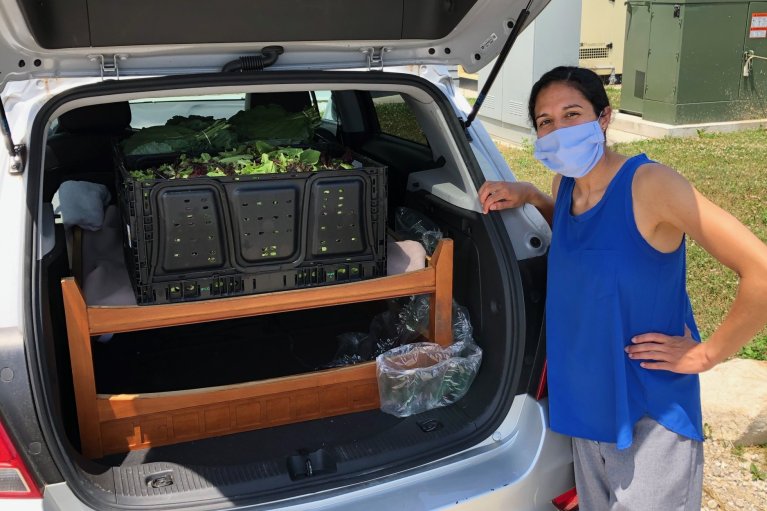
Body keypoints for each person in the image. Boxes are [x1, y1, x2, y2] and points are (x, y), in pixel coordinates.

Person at [478, 66, 767, 510]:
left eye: (572, 114)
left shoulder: (651, 185)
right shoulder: (565, 184)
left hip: (648, 410)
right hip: (585, 404)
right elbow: (590, 242)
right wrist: (535, 196)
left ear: (604, 117)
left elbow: (761, 270)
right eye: (545, 122)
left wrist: (706, 354)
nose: (558, 130)